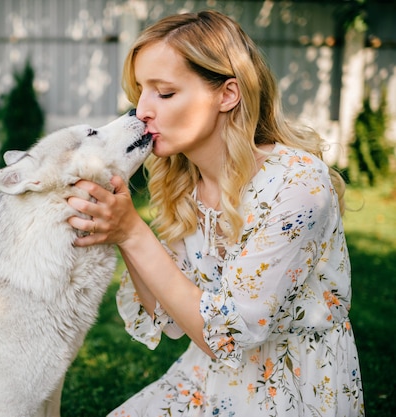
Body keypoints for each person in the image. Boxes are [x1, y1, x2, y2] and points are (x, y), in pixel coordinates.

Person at [67, 10, 364, 417]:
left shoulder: (297, 185)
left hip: (290, 388)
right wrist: (122, 229)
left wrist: (132, 232)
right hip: (208, 376)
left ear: (227, 94)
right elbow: (169, 317)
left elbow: (227, 336)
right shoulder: (184, 183)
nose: (142, 111)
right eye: (140, 91)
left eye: (165, 93)